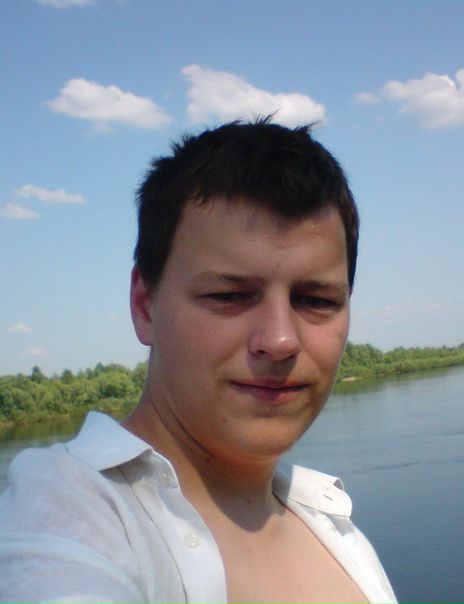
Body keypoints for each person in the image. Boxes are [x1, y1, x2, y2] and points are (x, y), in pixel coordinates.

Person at [0, 118, 397, 604]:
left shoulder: (329, 524)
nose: (279, 340)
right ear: (145, 307)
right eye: (228, 295)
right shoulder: (63, 512)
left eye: (316, 300)